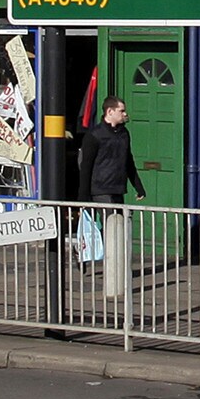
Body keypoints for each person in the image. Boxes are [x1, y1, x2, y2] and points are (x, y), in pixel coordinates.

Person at [75, 98, 145, 293]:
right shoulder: (94, 136)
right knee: (109, 228)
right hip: (99, 189)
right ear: (110, 112)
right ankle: (106, 268)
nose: (125, 114)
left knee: (117, 229)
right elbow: (86, 167)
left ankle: (113, 267)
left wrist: (138, 186)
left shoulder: (124, 134)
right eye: (121, 111)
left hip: (117, 187)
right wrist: (82, 198)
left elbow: (128, 160)